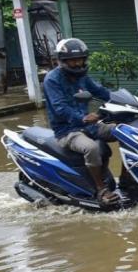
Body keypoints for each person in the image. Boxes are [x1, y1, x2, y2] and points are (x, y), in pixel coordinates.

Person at [43, 38, 118, 204]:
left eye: (80, 59)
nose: (77, 64)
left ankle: (131, 179)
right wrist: (83, 118)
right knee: (92, 148)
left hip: (89, 126)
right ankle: (101, 189)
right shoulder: (52, 80)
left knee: (124, 131)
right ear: (62, 61)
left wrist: (124, 100)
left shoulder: (83, 77)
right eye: (72, 61)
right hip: (67, 131)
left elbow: (101, 92)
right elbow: (59, 108)